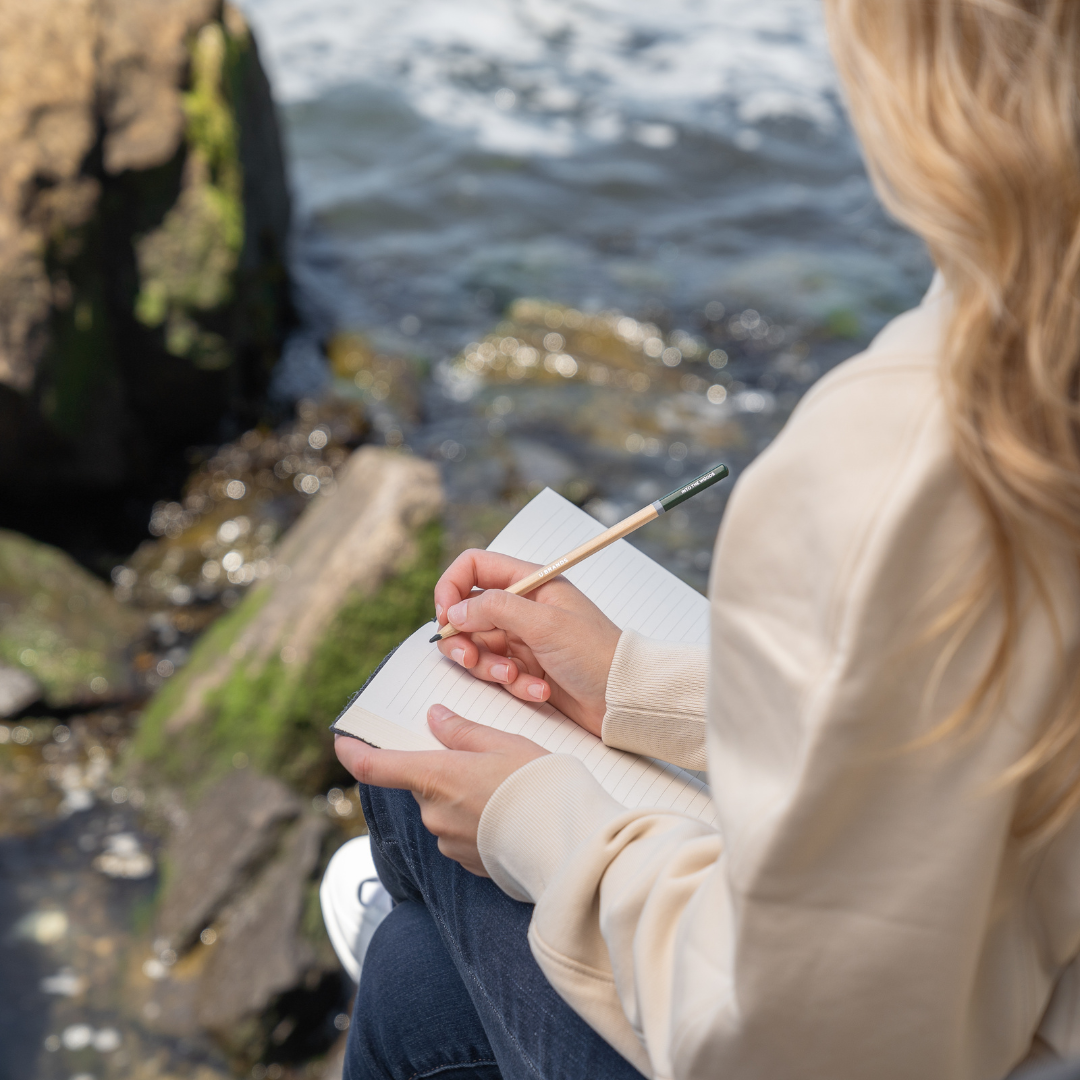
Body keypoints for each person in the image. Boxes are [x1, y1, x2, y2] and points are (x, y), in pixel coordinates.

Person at [332, 1, 1080, 1077]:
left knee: (414, 824)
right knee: (414, 980)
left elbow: (796, 1043)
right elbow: (979, 726)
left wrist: (544, 823)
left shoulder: (923, 447)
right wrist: (641, 689)